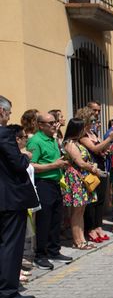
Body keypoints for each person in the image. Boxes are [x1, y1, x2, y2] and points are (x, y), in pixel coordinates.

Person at [0, 95, 38, 298]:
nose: (8, 117)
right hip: (10, 198)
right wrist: (25, 156)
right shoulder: (4, 134)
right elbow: (16, 164)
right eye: (8, 113)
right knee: (11, 245)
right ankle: (7, 292)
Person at [27, 111, 72, 270]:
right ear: (40, 125)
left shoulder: (52, 138)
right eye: (50, 123)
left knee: (55, 218)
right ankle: (40, 255)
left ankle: (54, 250)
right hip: (43, 183)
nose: (55, 125)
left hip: (54, 182)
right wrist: (53, 166)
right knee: (44, 221)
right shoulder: (36, 141)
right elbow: (31, 165)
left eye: (55, 122)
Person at [61, 118, 102, 250]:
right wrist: (93, 168)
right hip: (76, 178)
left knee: (81, 210)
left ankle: (82, 239)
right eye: (83, 128)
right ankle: (77, 241)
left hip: (82, 178)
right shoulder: (69, 143)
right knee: (76, 211)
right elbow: (79, 162)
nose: (85, 130)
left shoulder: (76, 142)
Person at [79, 107, 113, 243]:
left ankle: (98, 225)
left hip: (100, 166)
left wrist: (105, 149)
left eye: (96, 120)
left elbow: (100, 148)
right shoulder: (82, 135)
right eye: (93, 119)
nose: (95, 121)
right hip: (90, 169)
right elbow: (94, 148)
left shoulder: (93, 133)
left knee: (101, 199)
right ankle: (90, 228)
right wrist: (110, 139)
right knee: (92, 201)